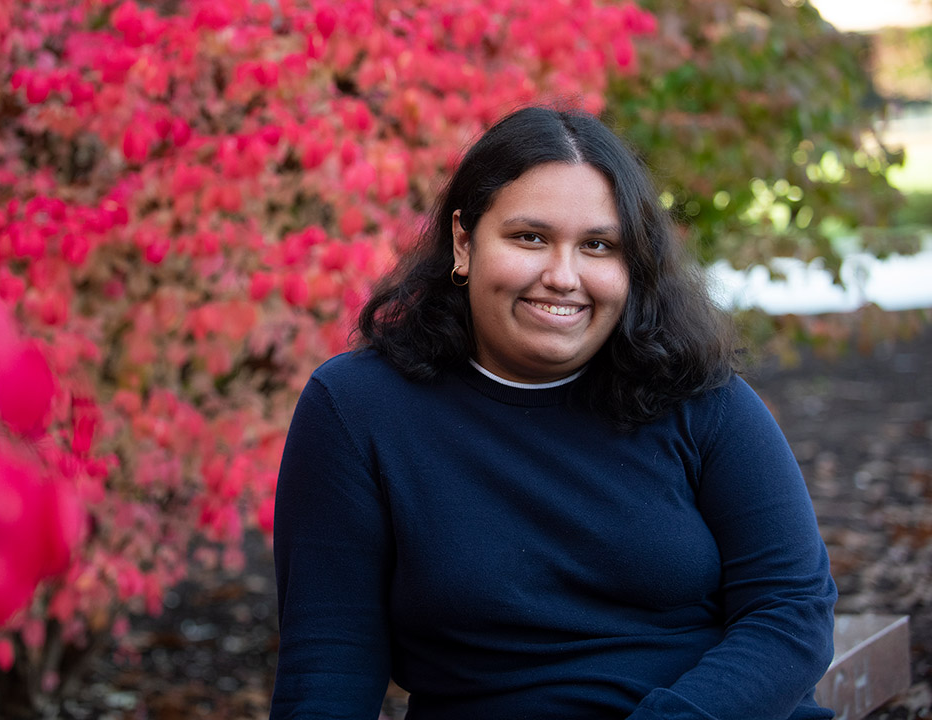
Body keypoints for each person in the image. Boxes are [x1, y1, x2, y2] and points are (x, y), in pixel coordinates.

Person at [269, 105, 837, 719]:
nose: (563, 277)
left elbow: (791, 610)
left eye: (598, 245)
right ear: (464, 241)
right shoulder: (359, 409)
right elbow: (327, 665)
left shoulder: (698, 397)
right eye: (530, 238)